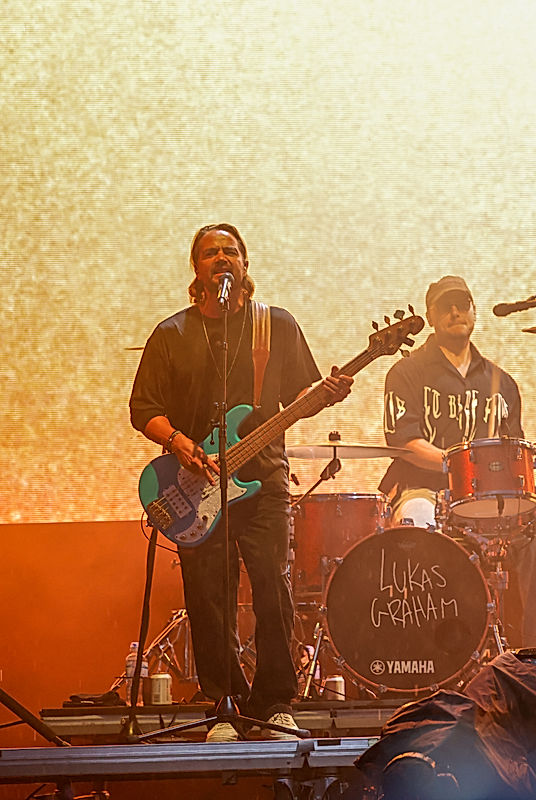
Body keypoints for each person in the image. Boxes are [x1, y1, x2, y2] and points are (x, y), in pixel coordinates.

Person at [130, 222, 353, 742]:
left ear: (246, 265)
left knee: (273, 587)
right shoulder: (172, 334)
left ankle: (274, 702)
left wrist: (329, 392)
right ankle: (225, 705)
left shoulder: (274, 326)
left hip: (265, 480)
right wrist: (180, 443)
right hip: (195, 484)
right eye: (211, 253)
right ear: (197, 269)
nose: (222, 258)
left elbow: (304, 393)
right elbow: (144, 409)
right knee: (209, 594)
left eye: (231, 251)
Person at [378, 275, 536, 655]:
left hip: (490, 498)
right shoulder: (407, 373)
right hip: (424, 490)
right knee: (418, 522)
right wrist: (458, 466)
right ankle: (427, 651)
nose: (455, 312)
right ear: (430, 316)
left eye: (462, 304)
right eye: (445, 306)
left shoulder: (502, 381)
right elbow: (404, 443)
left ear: (474, 312)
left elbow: (512, 451)